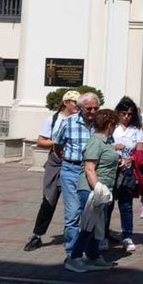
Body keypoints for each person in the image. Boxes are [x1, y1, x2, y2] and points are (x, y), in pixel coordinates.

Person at [24, 91, 80, 252]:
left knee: (75, 203)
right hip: (55, 163)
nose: (77, 105)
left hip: (74, 163)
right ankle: (37, 235)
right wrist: (56, 142)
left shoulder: (80, 120)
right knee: (49, 199)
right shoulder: (54, 119)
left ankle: (73, 236)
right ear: (66, 103)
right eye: (74, 102)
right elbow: (40, 140)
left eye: (78, 102)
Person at [65, 108, 120, 272]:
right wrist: (98, 188)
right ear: (110, 124)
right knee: (89, 224)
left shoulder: (106, 141)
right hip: (91, 190)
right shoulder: (95, 141)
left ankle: (93, 256)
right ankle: (74, 257)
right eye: (114, 125)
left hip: (102, 190)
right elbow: (89, 168)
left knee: (98, 225)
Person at [53, 92, 100, 257]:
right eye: (89, 108)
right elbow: (57, 146)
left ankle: (90, 251)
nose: (92, 112)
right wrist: (68, 160)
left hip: (92, 172)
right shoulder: (68, 123)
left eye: (96, 108)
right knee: (72, 214)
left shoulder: (100, 125)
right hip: (72, 170)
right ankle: (72, 252)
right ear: (80, 108)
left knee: (90, 213)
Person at [105, 96, 143, 252]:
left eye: (130, 114)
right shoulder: (112, 128)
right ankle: (103, 234)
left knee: (126, 205)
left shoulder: (136, 130)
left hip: (128, 170)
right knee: (107, 203)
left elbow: (140, 150)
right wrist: (114, 147)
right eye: (123, 114)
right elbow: (104, 144)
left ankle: (127, 235)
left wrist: (132, 158)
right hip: (111, 168)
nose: (126, 117)